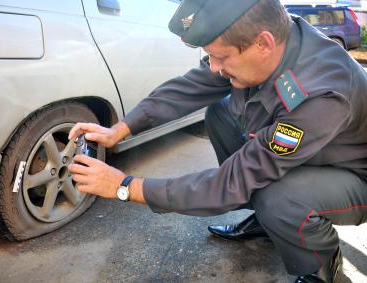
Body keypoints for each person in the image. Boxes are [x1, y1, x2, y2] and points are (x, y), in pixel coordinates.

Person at [68, 0, 367, 282]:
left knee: (279, 197)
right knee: (220, 114)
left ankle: (322, 264)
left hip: (355, 175)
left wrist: (125, 187)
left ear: (264, 44)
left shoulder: (320, 94)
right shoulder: (268, 38)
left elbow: (231, 182)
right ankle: (267, 223)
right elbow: (189, 87)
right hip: (315, 150)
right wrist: (119, 129)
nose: (213, 67)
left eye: (219, 57)